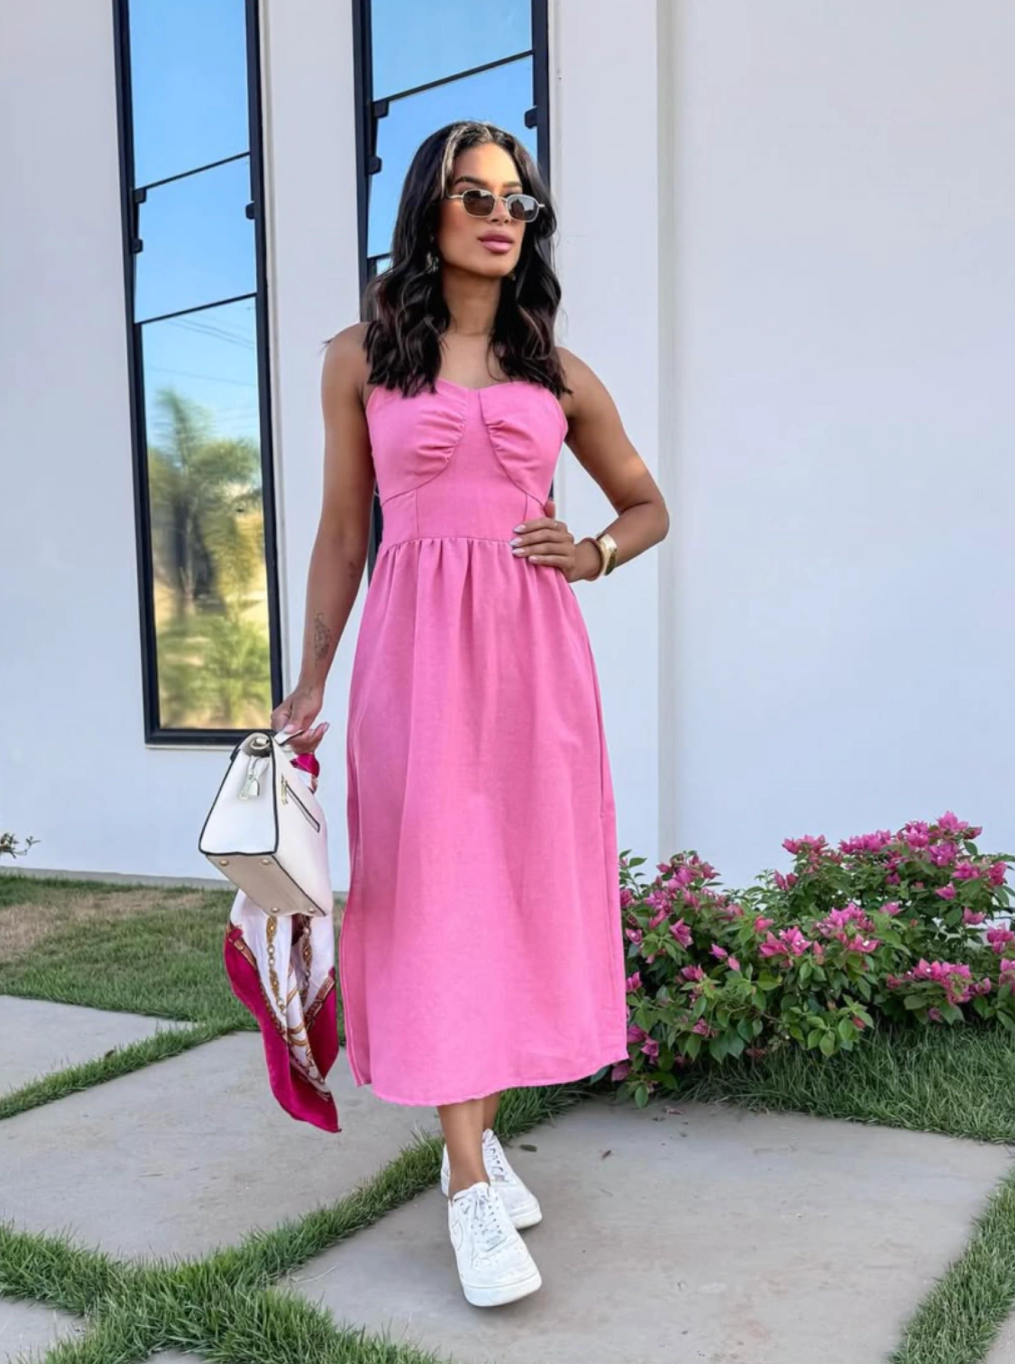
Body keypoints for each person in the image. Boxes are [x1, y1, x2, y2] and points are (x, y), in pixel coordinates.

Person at [271, 120, 669, 1308]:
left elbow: (646, 502)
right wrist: (311, 677)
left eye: (518, 200)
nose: (502, 217)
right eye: (475, 194)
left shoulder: (557, 369)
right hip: (414, 659)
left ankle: (479, 1142)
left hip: (536, 662)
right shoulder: (359, 356)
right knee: (438, 895)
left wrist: (591, 551)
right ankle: (465, 1181)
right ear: (427, 208)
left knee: (514, 895)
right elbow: (345, 530)